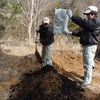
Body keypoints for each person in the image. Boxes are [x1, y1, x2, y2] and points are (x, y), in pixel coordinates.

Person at [67, 6, 100, 88]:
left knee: (87, 64)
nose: (87, 16)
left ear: (93, 14)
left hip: (90, 46)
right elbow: (81, 32)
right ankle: (87, 77)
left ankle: (87, 82)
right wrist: (71, 33)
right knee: (89, 63)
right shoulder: (91, 24)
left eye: (88, 14)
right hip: (88, 45)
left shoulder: (95, 22)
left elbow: (84, 23)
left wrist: (72, 17)